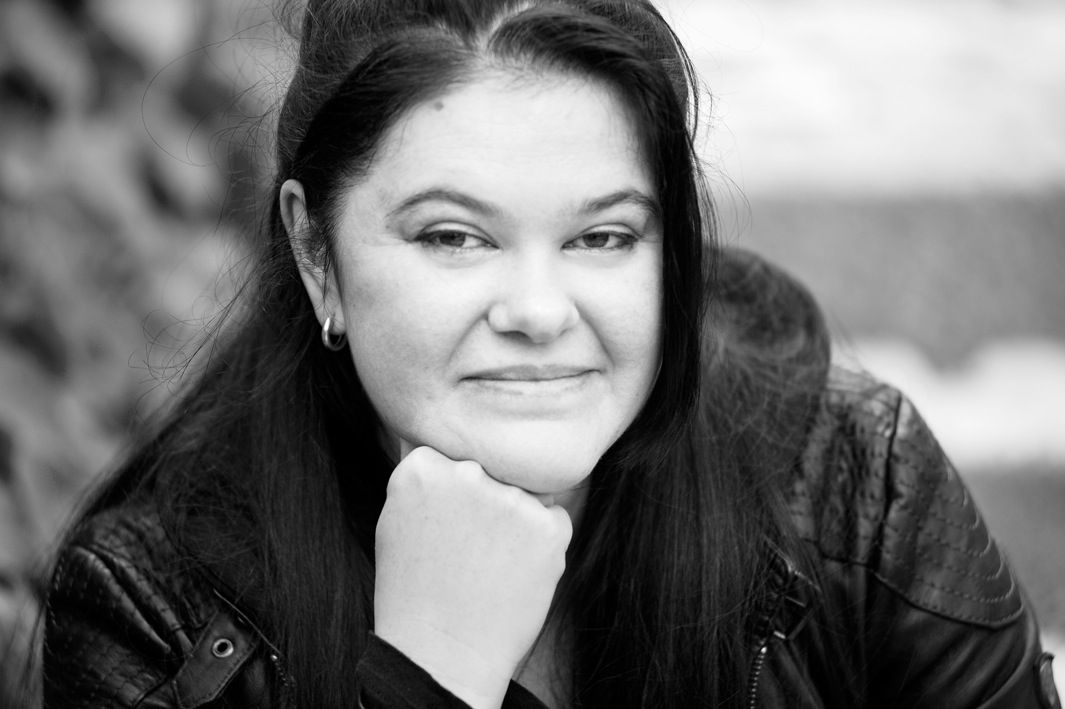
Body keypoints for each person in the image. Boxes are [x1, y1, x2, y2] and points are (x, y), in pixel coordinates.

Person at [41, 1, 1060, 707]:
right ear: (316, 253)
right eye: (454, 237)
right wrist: (427, 674)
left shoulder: (853, 485)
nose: (538, 310)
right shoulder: (154, 609)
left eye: (602, 237)